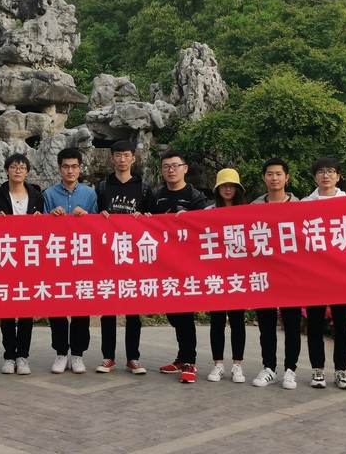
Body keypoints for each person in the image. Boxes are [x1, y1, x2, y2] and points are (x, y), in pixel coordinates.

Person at [95, 140, 154, 375]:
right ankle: (108, 357)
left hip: (134, 257)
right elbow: (92, 219)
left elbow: (154, 220)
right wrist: (99, 216)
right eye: (118, 155)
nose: (122, 159)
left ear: (133, 159)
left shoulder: (144, 188)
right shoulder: (102, 187)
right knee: (108, 309)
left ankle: (133, 358)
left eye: (126, 155)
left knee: (133, 310)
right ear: (111, 159)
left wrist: (145, 217)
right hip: (108, 256)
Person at [152, 151, 207, 383]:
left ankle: (189, 361)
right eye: (166, 167)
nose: (171, 170)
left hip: (187, 267)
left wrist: (191, 218)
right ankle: (182, 356)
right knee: (173, 314)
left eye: (175, 166)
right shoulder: (158, 196)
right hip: (165, 266)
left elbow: (204, 228)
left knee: (185, 314)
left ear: (185, 168)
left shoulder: (196, 197)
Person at [0, 154, 44, 375]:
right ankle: (9, 355)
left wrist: (41, 219)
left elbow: (46, 227)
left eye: (22, 167)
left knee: (26, 310)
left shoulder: (37, 196)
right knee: (7, 310)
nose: (18, 171)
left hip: (29, 260)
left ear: (27, 172)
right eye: (13, 167)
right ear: (6, 171)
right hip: (6, 259)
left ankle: (23, 356)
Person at [43, 147, 98, 374]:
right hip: (56, 258)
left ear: (80, 168)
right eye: (66, 166)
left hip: (81, 258)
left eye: (74, 166)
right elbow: (38, 227)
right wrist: (50, 217)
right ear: (59, 169)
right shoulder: (49, 194)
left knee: (81, 306)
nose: (70, 171)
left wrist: (86, 217)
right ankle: (60, 352)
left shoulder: (89, 194)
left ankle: (77, 354)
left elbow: (98, 225)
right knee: (56, 306)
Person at [301, 157, 346, 390]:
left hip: (342, 276)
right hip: (315, 276)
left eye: (331, 171)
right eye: (321, 172)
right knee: (314, 324)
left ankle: (341, 370)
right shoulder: (304, 204)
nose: (326, 175)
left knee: (342, 326)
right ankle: (318, 369)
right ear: (315, 177)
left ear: (338, 177)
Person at [250, 158, 302, 390]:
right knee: (266, 325)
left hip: (291, 276)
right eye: (270, 174)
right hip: (264, 275)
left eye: (279, 174)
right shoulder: (253, 208)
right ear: (264, 178)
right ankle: (269, 367)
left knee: (291, 325)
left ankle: (290, 370)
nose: (274, 178)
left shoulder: (301, 206)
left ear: (287, 177)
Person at [204, 168, 248, 384]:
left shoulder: (247, 212)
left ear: (238, 189)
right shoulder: (208, 211)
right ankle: (218, 364)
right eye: (224, 186)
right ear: (217, 189)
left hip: (239, 275)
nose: (228, 189)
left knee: (238, 320)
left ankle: (237, 365)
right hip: (216, 274)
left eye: (232, 186)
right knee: (217, 320)